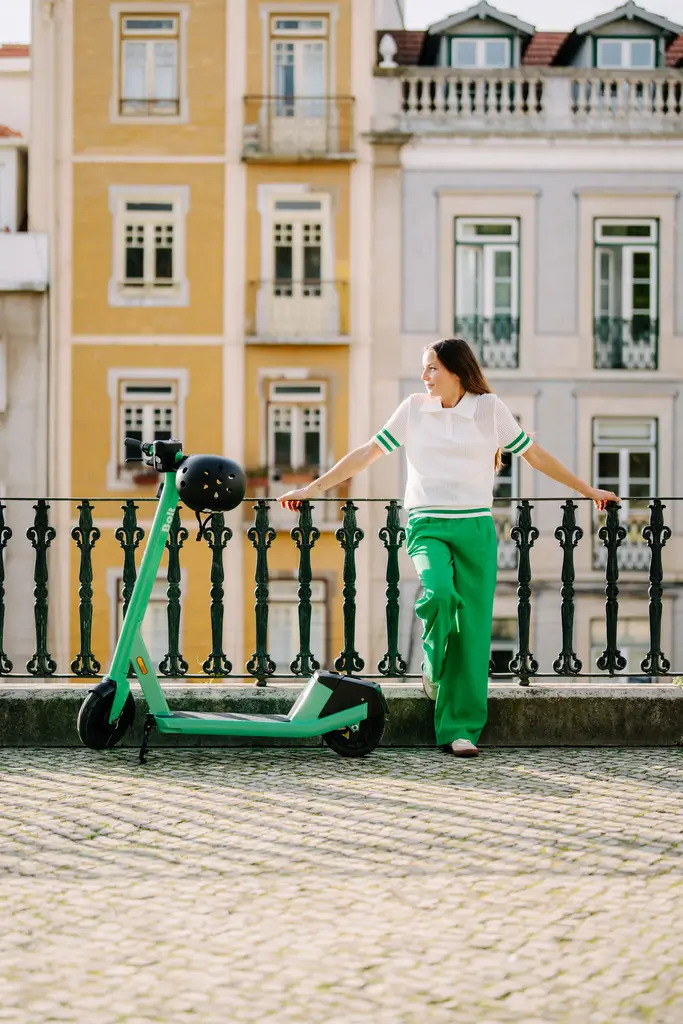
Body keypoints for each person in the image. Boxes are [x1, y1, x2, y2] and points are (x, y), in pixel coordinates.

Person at [279, 338, 619, 758]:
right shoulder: (413, 409)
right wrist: (312, 489)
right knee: (439, 592)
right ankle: (432, 665)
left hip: (476, 529)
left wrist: (587, 491)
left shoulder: (488, 409)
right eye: (424, 368)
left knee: (472, 633)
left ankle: (461, 730)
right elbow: (367, 453)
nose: (424, 376)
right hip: (427, 525)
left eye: (432, 368)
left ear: (456, 371)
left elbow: (535, 456)